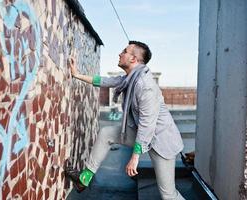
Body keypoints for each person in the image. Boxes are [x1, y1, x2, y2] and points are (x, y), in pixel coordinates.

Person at [65, 41, 185, 200]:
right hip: (143, 135)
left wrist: (135, 158)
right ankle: (84, 179)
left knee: (168, 195)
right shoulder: (131, 78)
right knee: (107, 133)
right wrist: (76, 74)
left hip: (161, 141)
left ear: (133, 59)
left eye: (125, 51)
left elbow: (147, 124)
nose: (120, 54)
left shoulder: (145, 86)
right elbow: (106, 81)